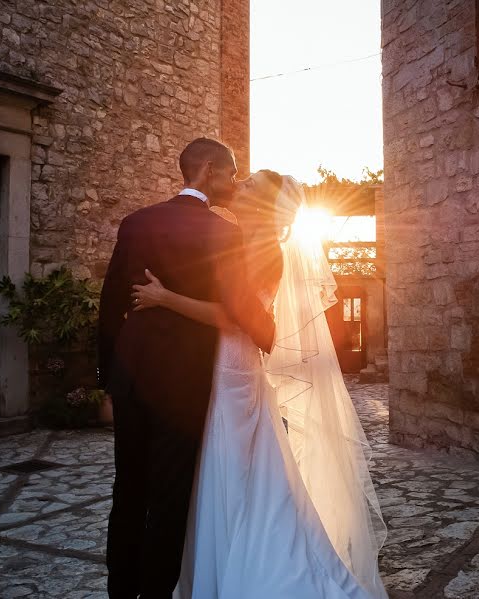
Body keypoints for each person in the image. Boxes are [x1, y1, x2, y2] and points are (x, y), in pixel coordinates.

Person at [131, 171, 389, 599]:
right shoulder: (239, 240)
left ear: (265, 204)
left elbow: (235, 318)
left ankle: (254, 568)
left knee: (236, 468)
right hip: (223, 366)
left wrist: (166, 299)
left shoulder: (265, 249)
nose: (240, 186)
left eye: (249, 185)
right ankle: (222, 561)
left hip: (233, 369)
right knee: (234, 469)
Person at [98, 138, 276, 599]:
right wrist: (268, 332)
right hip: (184, 383)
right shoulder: (221, 231)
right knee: (170, 497)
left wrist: (107, 384)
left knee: (129, 489)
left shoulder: (135, 222)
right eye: (231, 172)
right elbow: (237, 305)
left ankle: (120, 592)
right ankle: (156, 593)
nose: (234, 181)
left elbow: (110, 306)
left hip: (132, 379)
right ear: (209, 169)